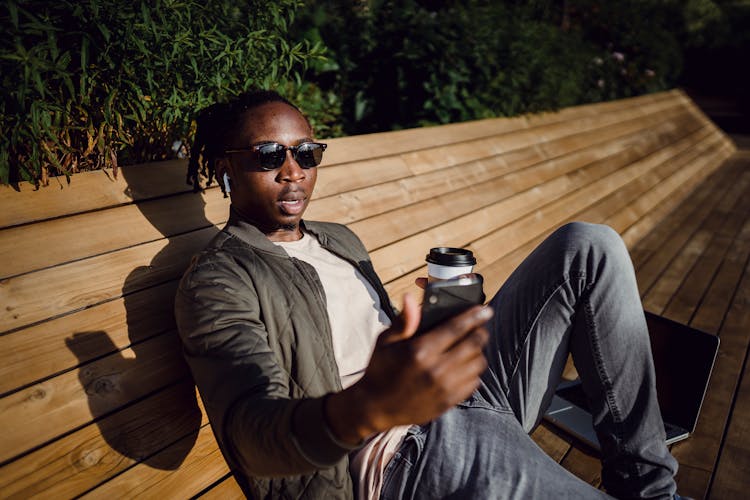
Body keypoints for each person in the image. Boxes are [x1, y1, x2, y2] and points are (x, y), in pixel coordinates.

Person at [175, 90, 681, 499]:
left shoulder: (338, 238)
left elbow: (369, 332)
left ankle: (650, 487)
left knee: (589, 245)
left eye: (306, 152)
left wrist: (448, 321)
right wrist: (372, 405)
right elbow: (250, 432)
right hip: (406, 447)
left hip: (465, 393)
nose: (293, 171)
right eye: (269, 155)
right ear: (226, 167)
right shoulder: (218, 281)